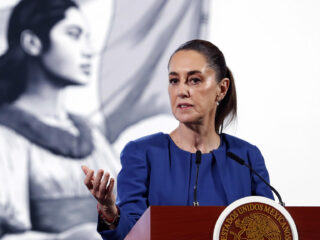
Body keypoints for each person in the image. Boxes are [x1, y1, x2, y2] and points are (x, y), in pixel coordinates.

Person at [0, 0, 120, 239]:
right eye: (73, 35)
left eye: (87, 37)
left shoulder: (90, 135)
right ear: (32, 43)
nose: (88, 50)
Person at [82, 39, 274, 239]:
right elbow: (131, 233)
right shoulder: (141, 154)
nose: (182, 91)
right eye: (174, 81)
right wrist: (110, 210)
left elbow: (270, 228)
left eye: (195, 80)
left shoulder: (247, 157)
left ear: (222, 89)